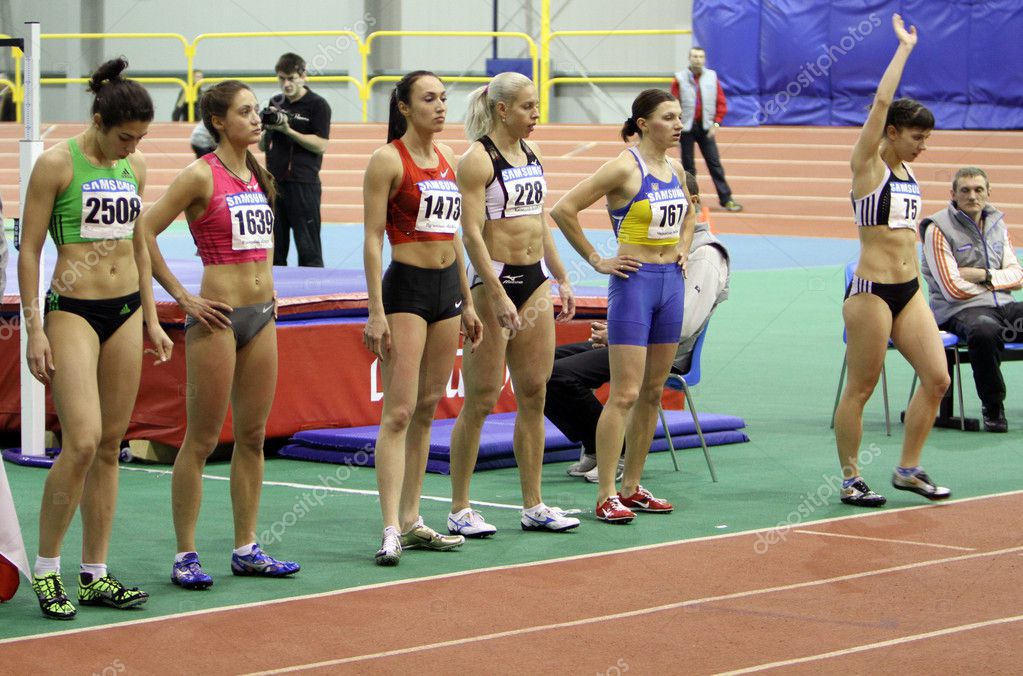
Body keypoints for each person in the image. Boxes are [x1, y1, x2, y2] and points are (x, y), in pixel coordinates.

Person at [17, 58, 173, 619]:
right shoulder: (57, 165)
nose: (132, 147)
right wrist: (34, 327)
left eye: (141, 138)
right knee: (81, 442)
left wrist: (153, 317)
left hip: (127, 310)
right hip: (73, 310)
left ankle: (96, 574)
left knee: (112, 445)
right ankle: (47, 569)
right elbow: (30, 248)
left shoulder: (137, 169)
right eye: (125, 136)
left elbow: (138, 246)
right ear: (100, 120)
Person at [140, 80, 299, 589]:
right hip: (217, 320)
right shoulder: (199, 176)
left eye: (257, 111)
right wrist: (181, 298)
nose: (257, 119)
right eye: (246, 112)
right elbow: (143, 230)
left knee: (252, 437)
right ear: (218, 122)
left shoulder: (258, 171)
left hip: (263, 315)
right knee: (203, 439)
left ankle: (246, 546)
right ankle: (185, 553)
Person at [551, 89, 695, 524]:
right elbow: (563, 209)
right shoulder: (622, 167)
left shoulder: (676, 169)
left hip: (671, 284)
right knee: (626, 393)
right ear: (644, 123)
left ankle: (633, 486)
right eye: (668, 117)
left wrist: (684, 246)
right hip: (634, 286)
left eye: (679, 117)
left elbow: (690, 213)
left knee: (653, 391)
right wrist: (598, 259)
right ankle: (606, 491)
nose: (677, 124)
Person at [447, 71, 580, 536]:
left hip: (536, 281)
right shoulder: (476, 161)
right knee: (481, 399)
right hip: (495, 280)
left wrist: (561, 276)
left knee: (534, 392)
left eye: (537, 106)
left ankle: (534, 505)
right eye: (528, 107)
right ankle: (460, 507)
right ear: (502, 109)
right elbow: (471, 234)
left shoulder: (533, 154)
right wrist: (496, 291)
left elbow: (540, 220)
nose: (536, 115)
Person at [362, 71, 483, 565]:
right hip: (406, 291)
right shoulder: (387, 160)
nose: (439, 106)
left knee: (430, 406)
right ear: (405, 107)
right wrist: (375, 310)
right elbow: (372, 237)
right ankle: (390, 526)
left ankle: (413, 519)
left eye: (443, 99)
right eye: (428, 99)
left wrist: (468, 299)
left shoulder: (449, 159)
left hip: (445, 292)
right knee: (398, 411)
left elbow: (453, 232)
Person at [835, 14, 951, 508]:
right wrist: (904, 48)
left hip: (909, 292)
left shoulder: (905, 171)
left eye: (927, 139)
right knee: (862, 387)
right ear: (892, 132)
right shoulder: (869, 163)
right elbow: (881, 102)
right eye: (916, 138)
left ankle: (908, 468)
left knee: (938, 378)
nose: (923, 146)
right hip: (870, 293)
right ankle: (851, 477)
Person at [552, 172, 730, 482]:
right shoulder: (657, 246)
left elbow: (684, 325)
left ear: (692, 204)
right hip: (634, 339)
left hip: (664, 351)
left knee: (559, 377)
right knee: (543, 368)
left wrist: (621, 335)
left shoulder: (705, 254)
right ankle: (596, 444)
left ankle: (616, 451)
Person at [920, 167, 1023, 433]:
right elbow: (952, 288)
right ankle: (993, 407)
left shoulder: (997, 224)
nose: (972, 196)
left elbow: (1019, 276)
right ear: (952, 194)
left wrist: (982, 275)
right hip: (958, 312)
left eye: (979, 190)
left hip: (1003, 307)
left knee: (992, 326)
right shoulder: (937, 229)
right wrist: (998, 281)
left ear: (989, 193)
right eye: (965, 190)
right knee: (985, 332)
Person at [259, 53, 330, 267]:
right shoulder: (275, 103)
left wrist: (288, 130)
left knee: (309, 249)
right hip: (275, 184)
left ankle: (313, 295)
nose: (286, 84)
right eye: (282, 79)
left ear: (303, 76)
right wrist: (268, 129)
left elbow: (321, 145)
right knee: (275, 251)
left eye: (291, 78)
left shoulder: (318, 105)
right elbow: (262, 146)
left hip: (303, 183)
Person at [672, 47, 742, 213]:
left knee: (714, 164)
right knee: (688, 168)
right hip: (686, 128)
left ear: (704, 59)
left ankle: (727, 199)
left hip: (705, 128)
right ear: (689, 58)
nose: (698, 59)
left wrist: (716, 123)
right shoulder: (679, 79)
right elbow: (673, 104)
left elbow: (721, 102)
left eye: (701, 56)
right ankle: (691, 202)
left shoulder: (712, 77)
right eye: (695, 56)